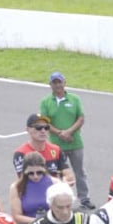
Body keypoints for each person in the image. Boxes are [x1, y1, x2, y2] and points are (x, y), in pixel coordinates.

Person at [40, 71, 93, 210]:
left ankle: (84, 198)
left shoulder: (74, 99)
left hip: (74, 141)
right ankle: (57, 199)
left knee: (79, 171)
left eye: (59, 82)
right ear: (50, 84)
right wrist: (60, 133)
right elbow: (45, 122)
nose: (57, 85)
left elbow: (80, 118)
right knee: (56, 172)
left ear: (65, 83)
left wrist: (68, 132)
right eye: (54, 82)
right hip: (55, 145)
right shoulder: (46, 102)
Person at [13, 113, 75, 185]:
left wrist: (67, 179)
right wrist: (57, 182)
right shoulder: (21, 153)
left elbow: (68, 174)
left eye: (46, 127)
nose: (43, 131)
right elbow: (24, 180)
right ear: (28, 129)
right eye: (38, 127)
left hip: (53, 193)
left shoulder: (56, 150)